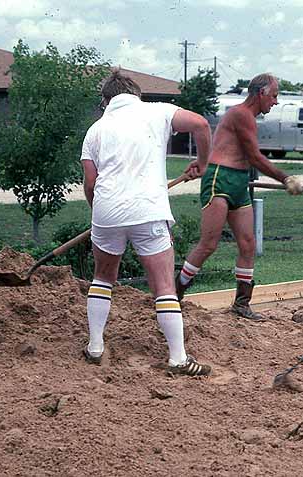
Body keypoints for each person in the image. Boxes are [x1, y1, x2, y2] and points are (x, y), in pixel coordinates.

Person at [80, 70, 212, 377]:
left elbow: (90, 183)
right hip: (148, 211)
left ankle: (95, 347)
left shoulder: (95, 130)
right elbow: (202, 125)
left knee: (103, 277)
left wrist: (99, 213)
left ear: (106, 100)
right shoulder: (158, 112)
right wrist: (203, 163)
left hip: (106, 212)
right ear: (136, 94)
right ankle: (178, 358)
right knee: (163, 285)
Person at [174, 73, 303, 321]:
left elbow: (238, 152)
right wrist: (285, 178)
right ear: (260, 94)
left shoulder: (247, 117)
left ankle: (242, 304)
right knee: (209, 244)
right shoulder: (240, 114)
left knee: (248, 244)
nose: (275, 102)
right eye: (274, 95)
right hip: (220, 179)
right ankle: (175, 295)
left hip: (238, 182)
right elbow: (255, 157)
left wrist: (203, 160)